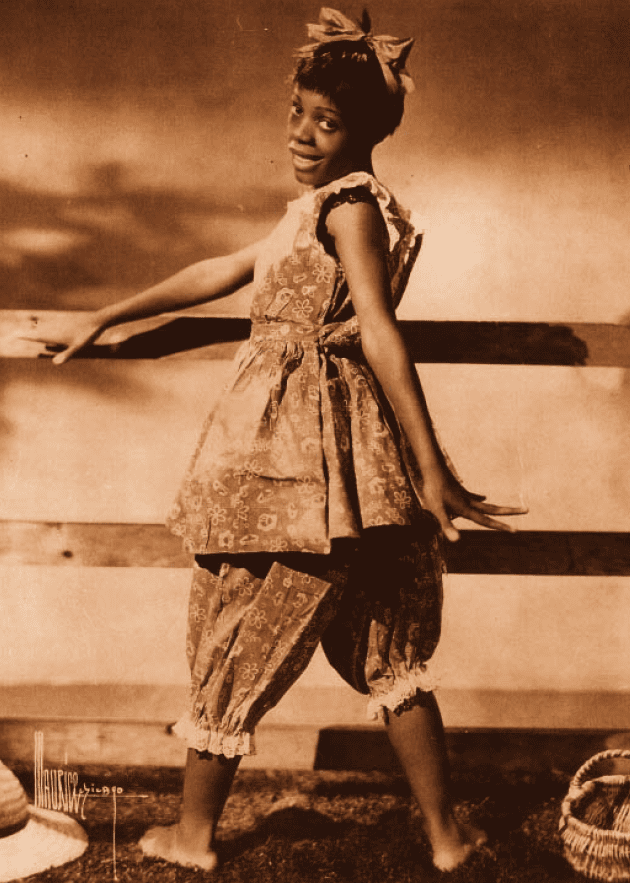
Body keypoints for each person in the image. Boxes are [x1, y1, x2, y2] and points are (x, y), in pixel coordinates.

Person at [24, 8, 526, 874]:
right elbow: (225, 270)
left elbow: (376, 330)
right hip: (333, 465)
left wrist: (434, 464)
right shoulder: (322, 207)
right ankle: (445, 838)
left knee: (240, 622)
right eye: (297, 110)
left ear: (366, 131)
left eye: (326, 121)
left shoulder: (353, 211)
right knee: (383, 649)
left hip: (297, 466)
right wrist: (108, 313)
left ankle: (191, 836)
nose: (302, 132)